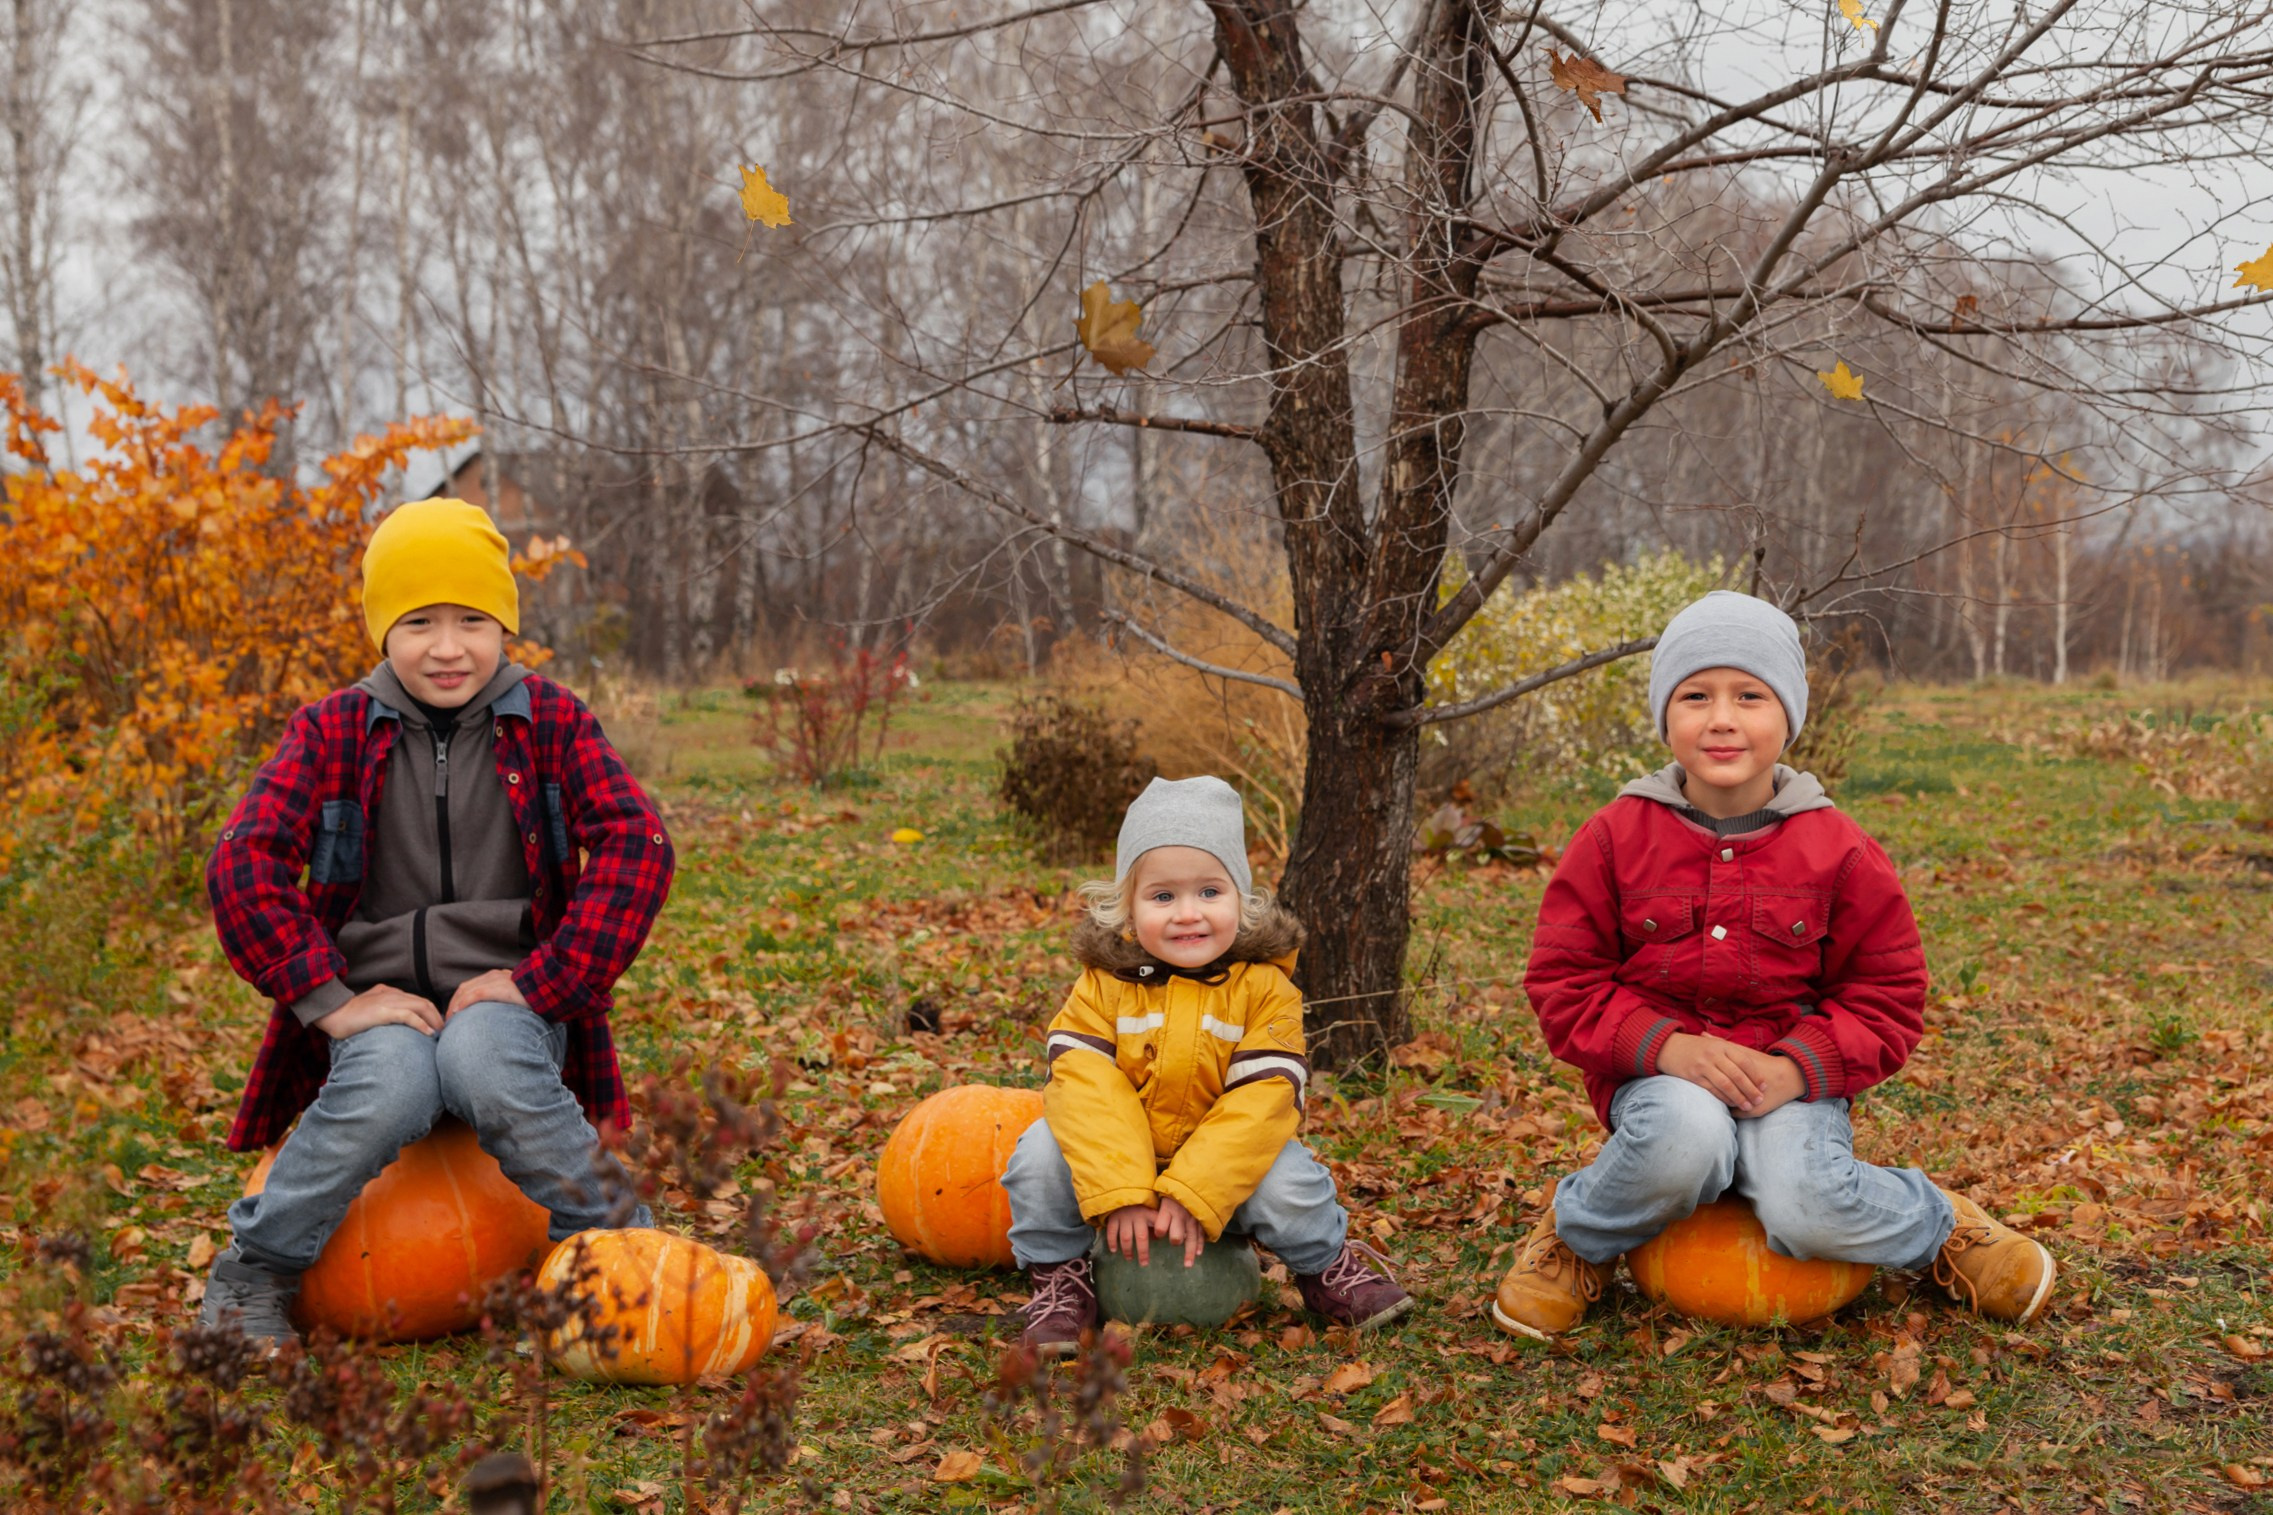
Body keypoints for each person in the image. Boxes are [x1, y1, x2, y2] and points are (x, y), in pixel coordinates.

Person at [1493, 591, 2056, 1339]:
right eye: (1695, 695)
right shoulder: (1613, 837)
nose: (1720, 718)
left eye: (1748, 696)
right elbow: (1565, 982)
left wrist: (1798, 1069)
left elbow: (1886, 996)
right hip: (1661, 1085)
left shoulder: (1839, 849)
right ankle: (1578, 1234)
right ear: (1665, 714)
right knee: (1682, 1137)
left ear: (1787, 715)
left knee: (1805, 1201)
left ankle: (1939, 1225)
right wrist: (1666, 1047)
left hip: (1789, 1088)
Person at [198, 498, 674, 1345]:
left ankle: (609, 1243)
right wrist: (331, 998)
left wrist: (543, 983)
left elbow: (639, 846)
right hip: (381, 1007)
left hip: (511, 1009)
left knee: (482, 1055)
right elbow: (242, 860)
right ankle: (257, 1268)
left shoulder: (552, 722)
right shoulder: (332, 730)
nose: (448, 647)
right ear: (384, 628)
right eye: (419, 621)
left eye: (472, 620)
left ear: (505, 628)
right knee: (392, 1079)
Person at [1001, 776, 1413, 1353]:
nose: (1187, 914)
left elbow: (1263, 1100)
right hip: (1120, 1151)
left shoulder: (1266, 989)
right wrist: (1120, 1188)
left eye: (1210, 892)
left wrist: (1196, 1189)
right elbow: (1082, 1083)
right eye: (1163, 896)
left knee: (1290, 1181)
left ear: (1241, 900)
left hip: (1227, 1160)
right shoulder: (1102, 986)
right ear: (1127, 908)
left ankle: (1323, 1269)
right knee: (1038, 1156)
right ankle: (1059, 1279)